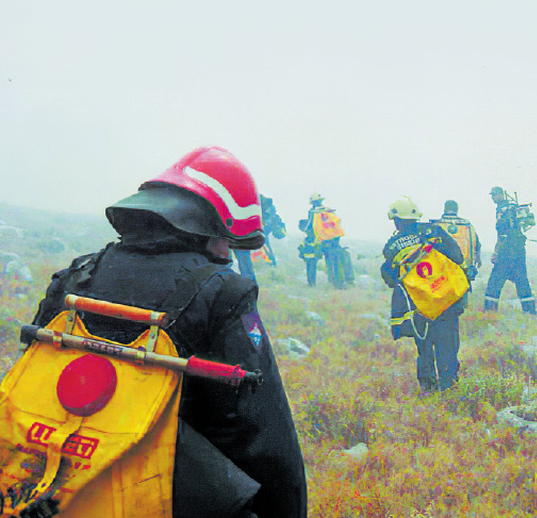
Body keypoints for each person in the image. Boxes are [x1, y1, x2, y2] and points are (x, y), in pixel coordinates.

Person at [29, 146, 307, 518]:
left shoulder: (77, 274)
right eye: (228, 240)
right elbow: (261, 432)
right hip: (151, 494)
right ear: (207, 230)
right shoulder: (224, 292)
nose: (227, 253)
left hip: (45, 480)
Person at [381, 196, 467, 392]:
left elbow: (390, 279)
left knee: (425, 349)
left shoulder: (392, 246)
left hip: (421, 308)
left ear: (397, 220)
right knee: (448, 347)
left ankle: (429, 391)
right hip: (447, 301)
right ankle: (449, 388)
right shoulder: (433, 231)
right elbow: (457, 255)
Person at [483, 186, 536, 314]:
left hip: (505, 253)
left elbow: (502, 235)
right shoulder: (513, 209)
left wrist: (496, 253)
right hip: (519, 252)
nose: (493, 198)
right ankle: (530, 313)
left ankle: (490, 312)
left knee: (494, 284)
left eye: (495, 195)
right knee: (522, 283)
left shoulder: (503, 211)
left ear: (501, 195)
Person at [234, 194, 287, 281]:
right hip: (244, 231)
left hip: (248, 232)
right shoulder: (252, 204)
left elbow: (276, 227)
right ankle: (250, 278)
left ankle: (250, 278)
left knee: (245, 254)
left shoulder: (266, 208)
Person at [301, 193, 347, 289]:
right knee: (334, 263)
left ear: (312, 202)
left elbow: (309, 227)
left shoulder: (312, 212)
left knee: (311, 262)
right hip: (333, 241)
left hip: (319, 241)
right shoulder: (329, 211)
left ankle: (311, 284)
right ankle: (338, 285)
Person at [429, 200, 482, 283]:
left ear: (444, 209)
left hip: (441, 269)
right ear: (457, 210)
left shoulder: (436, 225)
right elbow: (477, 245)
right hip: (464, 268)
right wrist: (477, 261)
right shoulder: (467, 225)